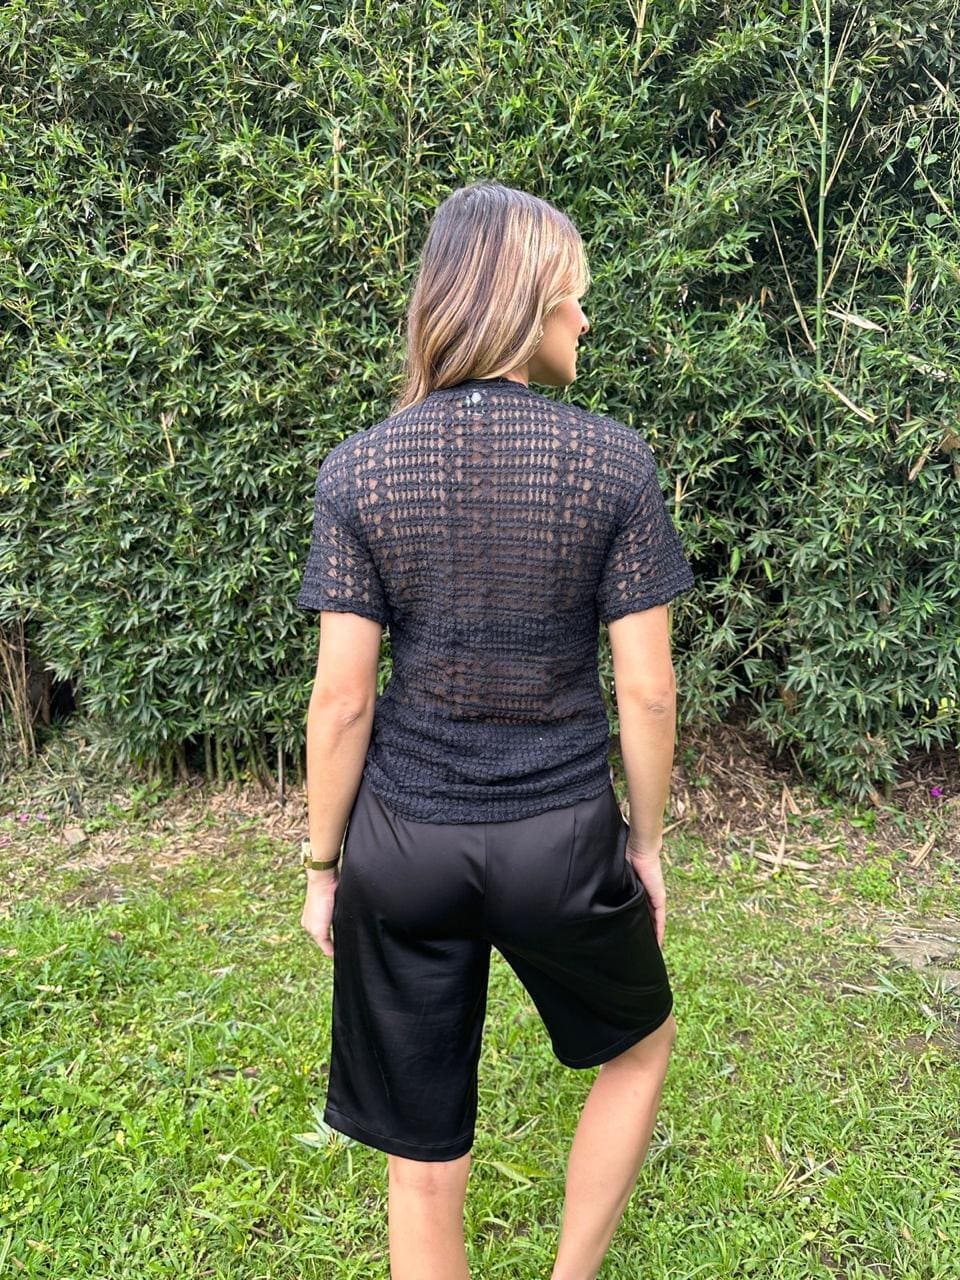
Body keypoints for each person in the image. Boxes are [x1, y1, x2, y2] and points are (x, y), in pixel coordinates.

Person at [296, 180, 696, 1280]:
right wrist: (646, 846)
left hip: (403, 845)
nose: (586, 320)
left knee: (421, 1148)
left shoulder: (360, 468)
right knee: (641, 1044)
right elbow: (648, 693)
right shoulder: (615, 463)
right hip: (557, 839)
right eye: (575, 296)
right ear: (526, 302)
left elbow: (341, 700)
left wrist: (324, 866)